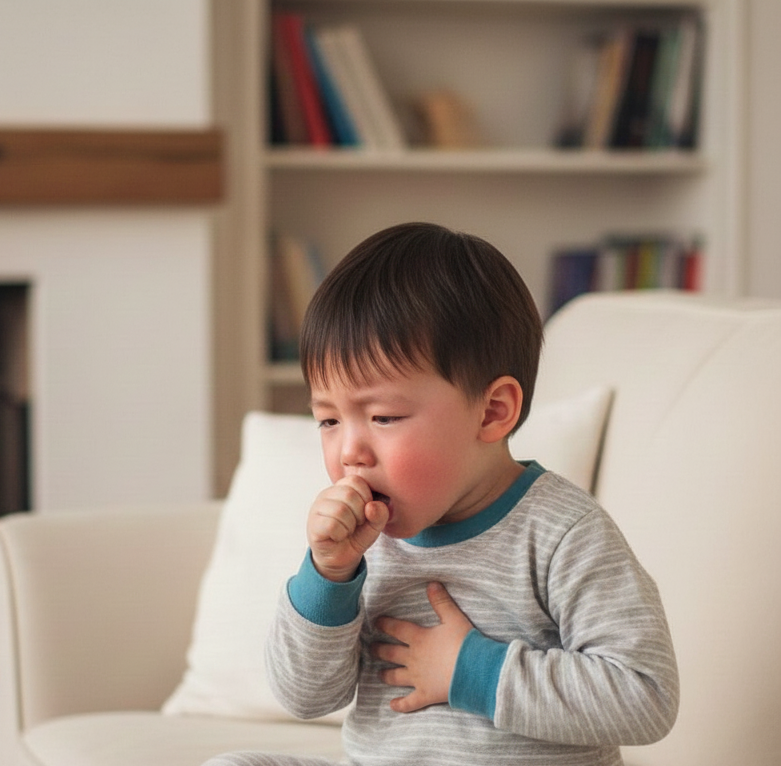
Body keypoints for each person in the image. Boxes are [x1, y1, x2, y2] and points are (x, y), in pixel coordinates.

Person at [205, 222, 679, 766]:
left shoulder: (562, 533)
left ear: (493, 410)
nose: (350, 452)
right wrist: (328, 577)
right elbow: (304, 696)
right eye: (328, 420)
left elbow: (647, 695)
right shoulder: (359, 545)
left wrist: (469, 670)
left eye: (383, 416)